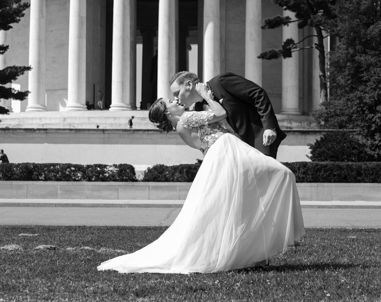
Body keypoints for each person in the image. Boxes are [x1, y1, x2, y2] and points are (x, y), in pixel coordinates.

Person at [98, 83, 304, 274]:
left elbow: (206, 140)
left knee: (240, 201)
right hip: (227, 149)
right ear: (168, 112)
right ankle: (279, 239)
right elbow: (221, 113)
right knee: (282, 174)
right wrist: (206, 95)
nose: (176, 101)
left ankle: (257, 251)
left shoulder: (182, 128)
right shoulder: (187, 119)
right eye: (171, 102)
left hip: (220, 154)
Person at [170, 70, 286, 159]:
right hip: (237, 154)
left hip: (259, 139)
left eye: (177, 93)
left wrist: (270, 127)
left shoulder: (221, 82)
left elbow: (257, 94)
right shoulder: (198, 109)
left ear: (189, 85)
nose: (176, 99)